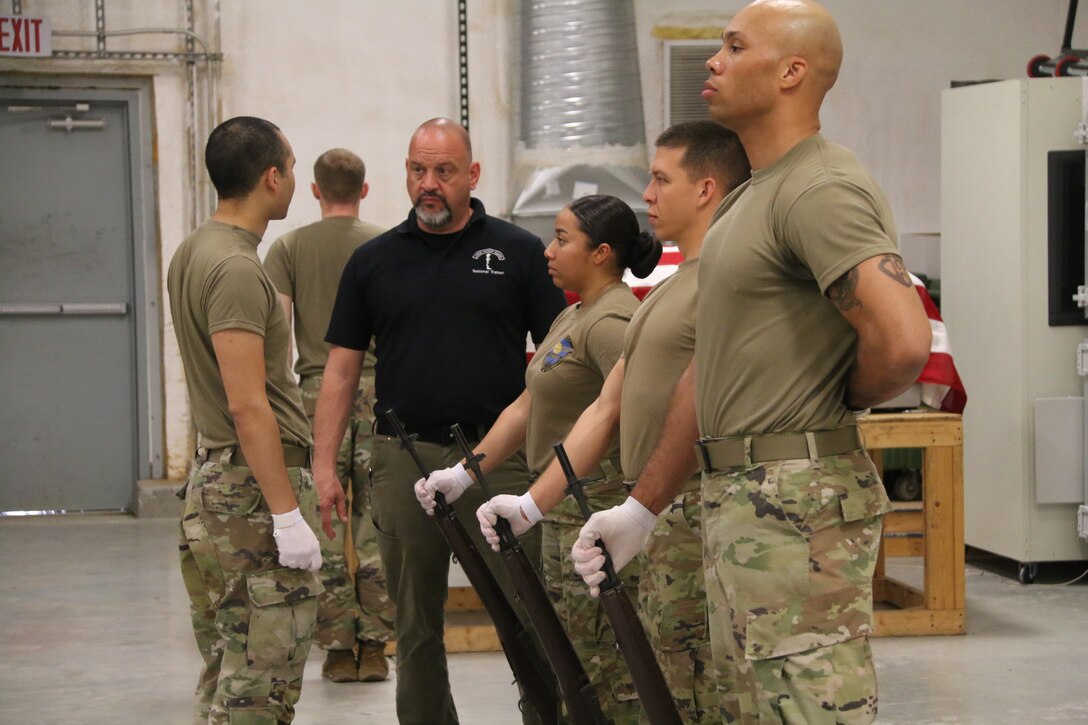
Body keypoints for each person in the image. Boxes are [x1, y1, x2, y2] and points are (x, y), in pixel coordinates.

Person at [570, 2, 933, 723]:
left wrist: (828, 394)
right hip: (739, 497)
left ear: (792, 71)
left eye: (734, 47)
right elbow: (709, 370)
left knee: (804, 708)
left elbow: (904, 343)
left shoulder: (819, 187)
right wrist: (643, 506)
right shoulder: (749, 200)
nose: (713, 61)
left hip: (795, 500)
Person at [476, 121, 750, 723]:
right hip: (653, 512)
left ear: (706, 189)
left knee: (688, 685)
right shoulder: (669, 293)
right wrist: (531, 503)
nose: (646, 194)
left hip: (696, 513)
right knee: (659, 678)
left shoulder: (726, 286)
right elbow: (606, 408)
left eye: (659, 179)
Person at [312, 117, 567, 725]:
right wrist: (324, 465)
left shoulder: (519, 252)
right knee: (415, 625)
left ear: (472, 175)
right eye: (417, 170)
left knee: (529, 616)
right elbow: (342, 372)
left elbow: (562, 355)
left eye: (443, 171)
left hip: (500, 459)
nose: (429, 184)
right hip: (406, 461)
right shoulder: (371, 261)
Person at [417, 193, 661, 722]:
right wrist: (465, 471)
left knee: (606, 662)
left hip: (593, 503)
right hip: (562, 505)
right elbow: (527, 406)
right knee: (571, 649)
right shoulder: (575, 314)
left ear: (600, 253)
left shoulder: (612, 321)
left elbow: (626, 411)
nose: (548, 250)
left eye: (561, 239)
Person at [167, 116, 323, 725]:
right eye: (290, 165)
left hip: (222, 483)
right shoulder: (233, 267)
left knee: (230, 663)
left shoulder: (195, 250)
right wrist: (286, 516)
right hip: (250, 495)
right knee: (261, 678)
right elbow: (247, 403)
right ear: (271, 176)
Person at [264, 148, 395, 684]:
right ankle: (376, 645)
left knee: (326, 517)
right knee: (377, 522)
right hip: (383, 393)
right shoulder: (387, 246)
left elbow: (276, 331)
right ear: (364, 190)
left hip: (319, 395)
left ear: (315, 190)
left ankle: (338, 648)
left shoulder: (288, 248)